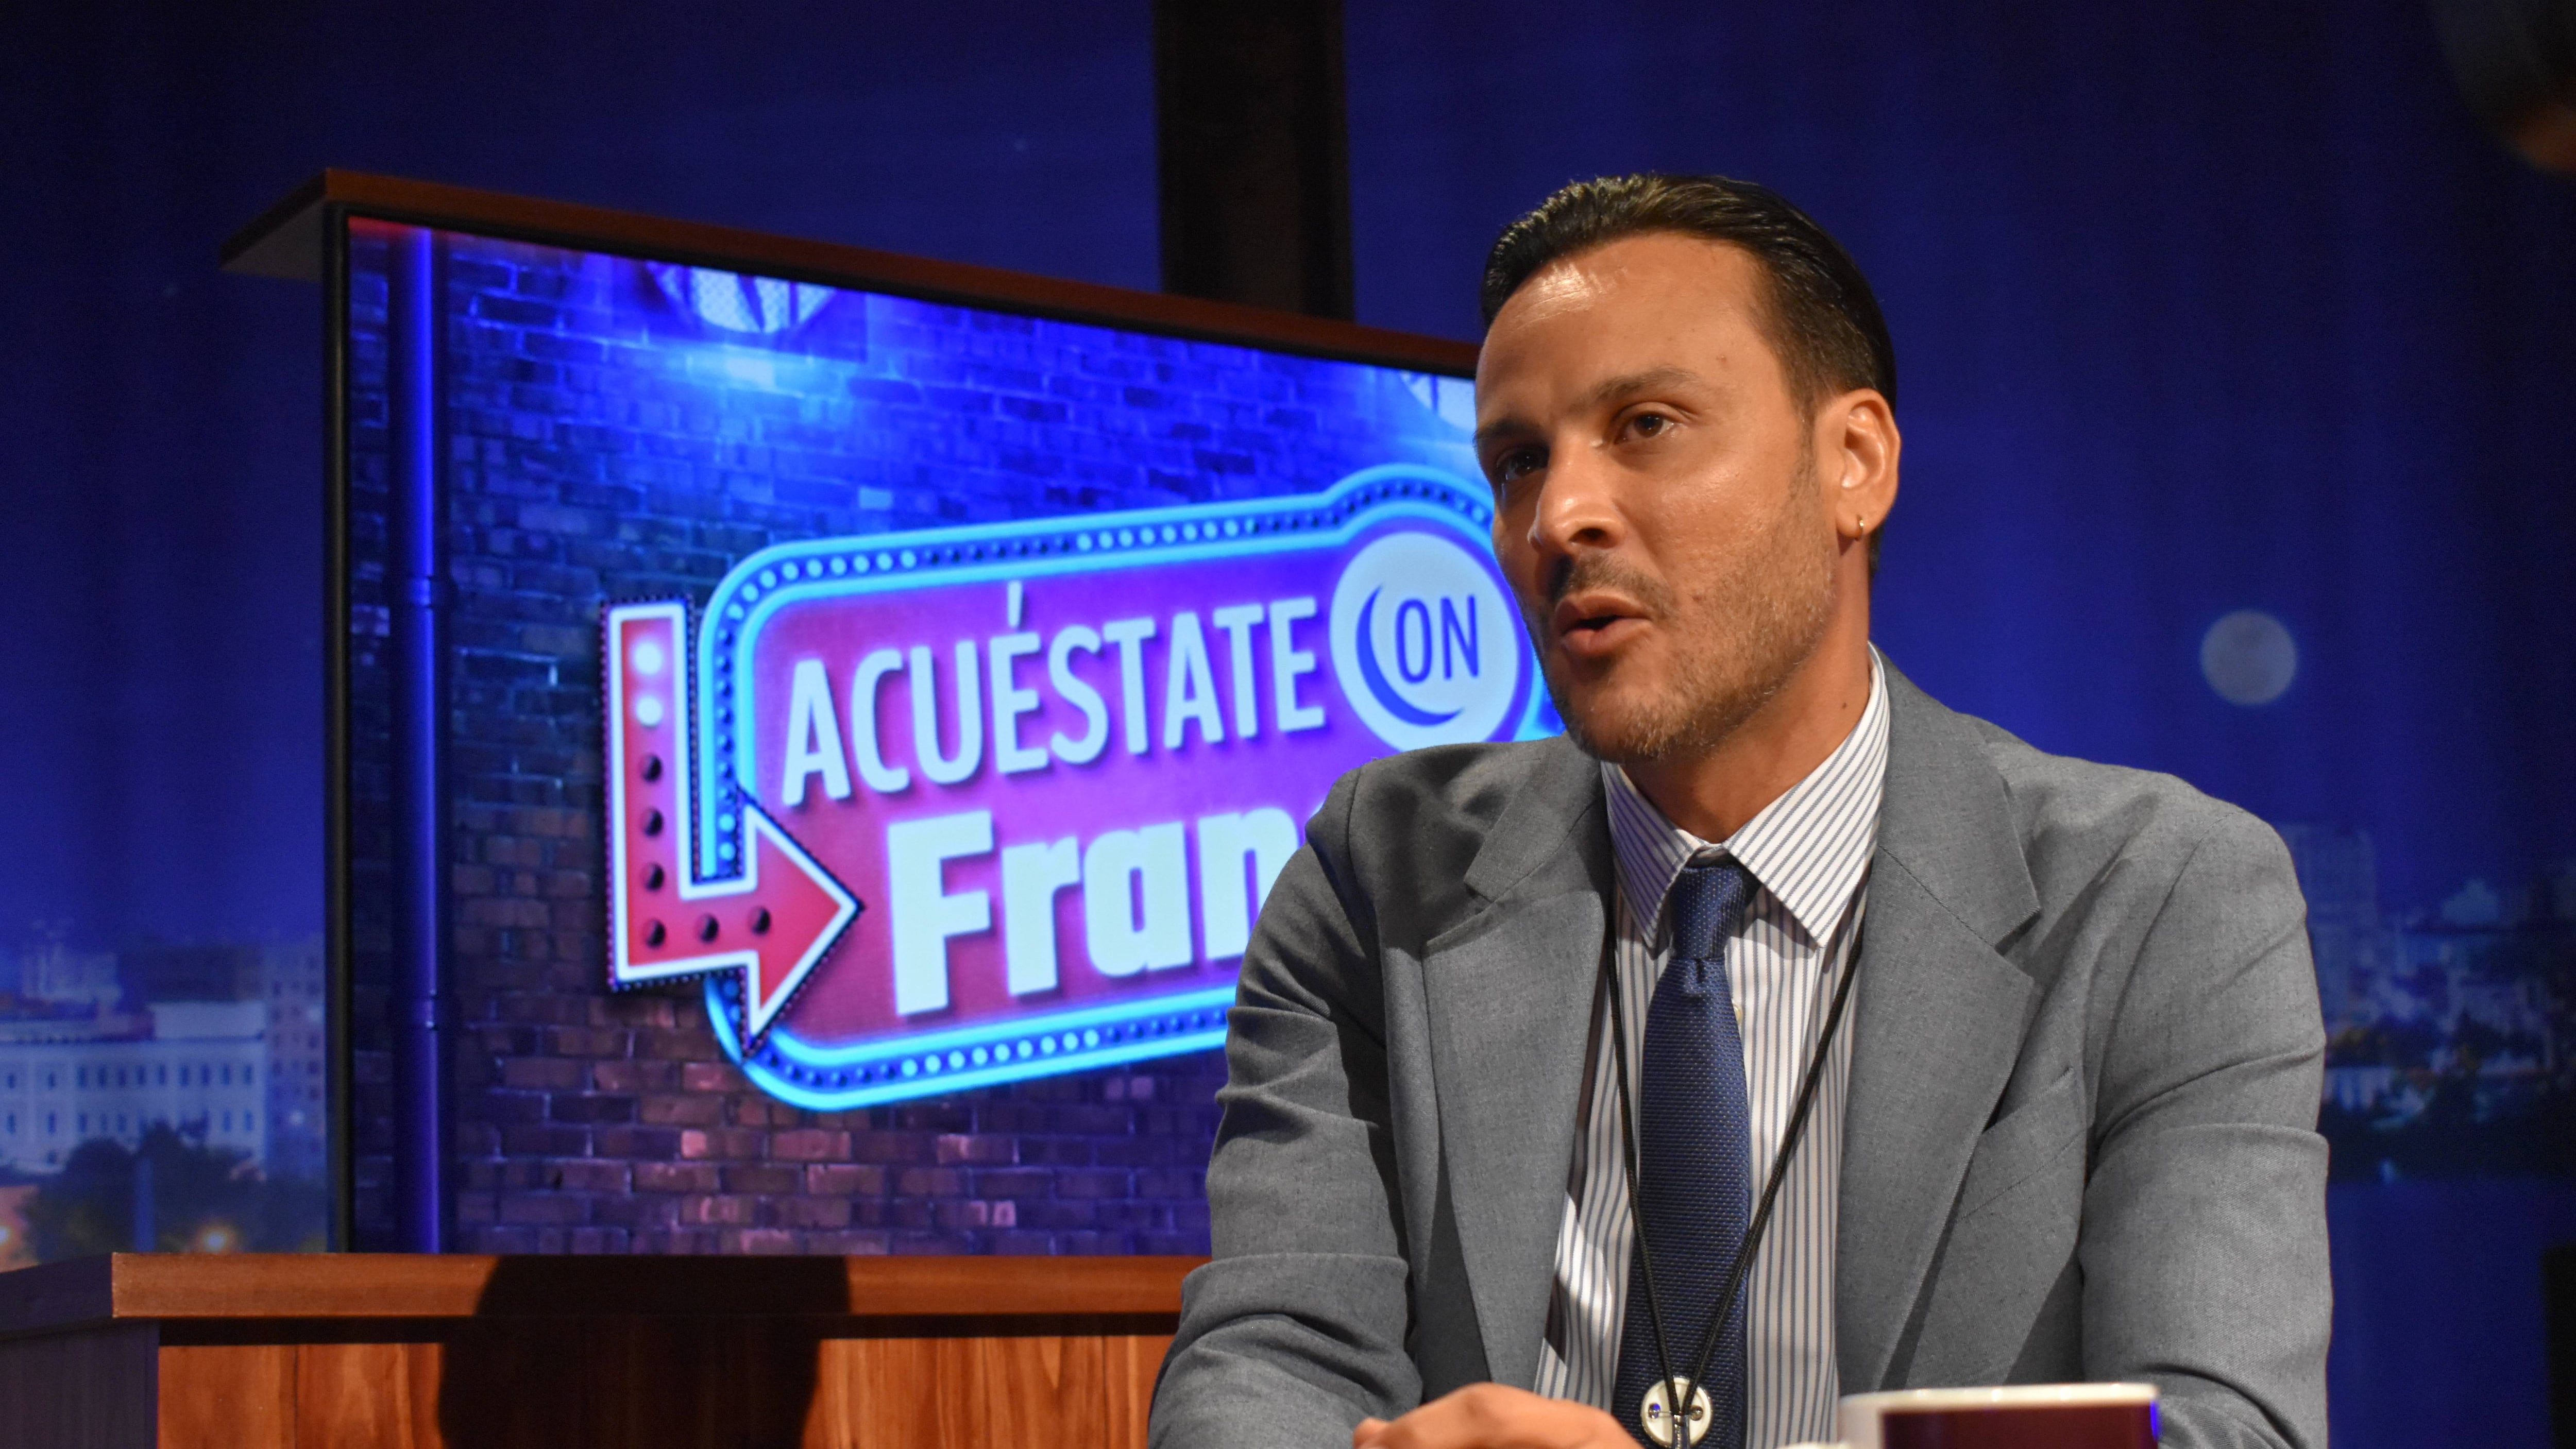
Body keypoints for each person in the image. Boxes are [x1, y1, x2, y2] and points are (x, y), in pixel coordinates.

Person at [1148, 174, 2329, 1449]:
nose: (1557, 518)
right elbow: (1272, 1362)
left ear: (1853, 464)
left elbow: (2224, 1429)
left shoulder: (2161, 895)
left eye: (1646, 425)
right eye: (1519, 461)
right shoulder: (1378, 873)